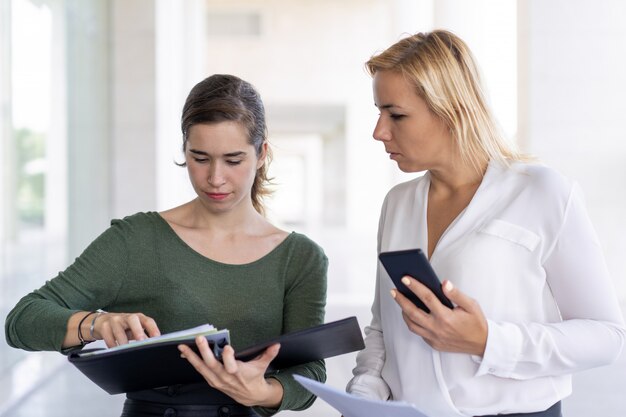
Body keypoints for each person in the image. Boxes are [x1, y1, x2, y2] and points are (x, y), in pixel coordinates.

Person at [5, 74, 328, 417]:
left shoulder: (300, 258)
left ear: (262, 154)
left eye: (233, 160)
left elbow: (310, 375)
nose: (215, 178)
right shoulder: (137, 239)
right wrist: (96, 324)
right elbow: (22, 321)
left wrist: (262, 391)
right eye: (200, 158)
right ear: (183, 151)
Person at [346, 30, 625, 417]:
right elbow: (384, 330)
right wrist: (362, 397)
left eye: (396, 114)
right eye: (378, 112)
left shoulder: (542, 192)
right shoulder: (398, 203)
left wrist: (489, 340)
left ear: (451, 109)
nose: (379, 131)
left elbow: (606, 336)